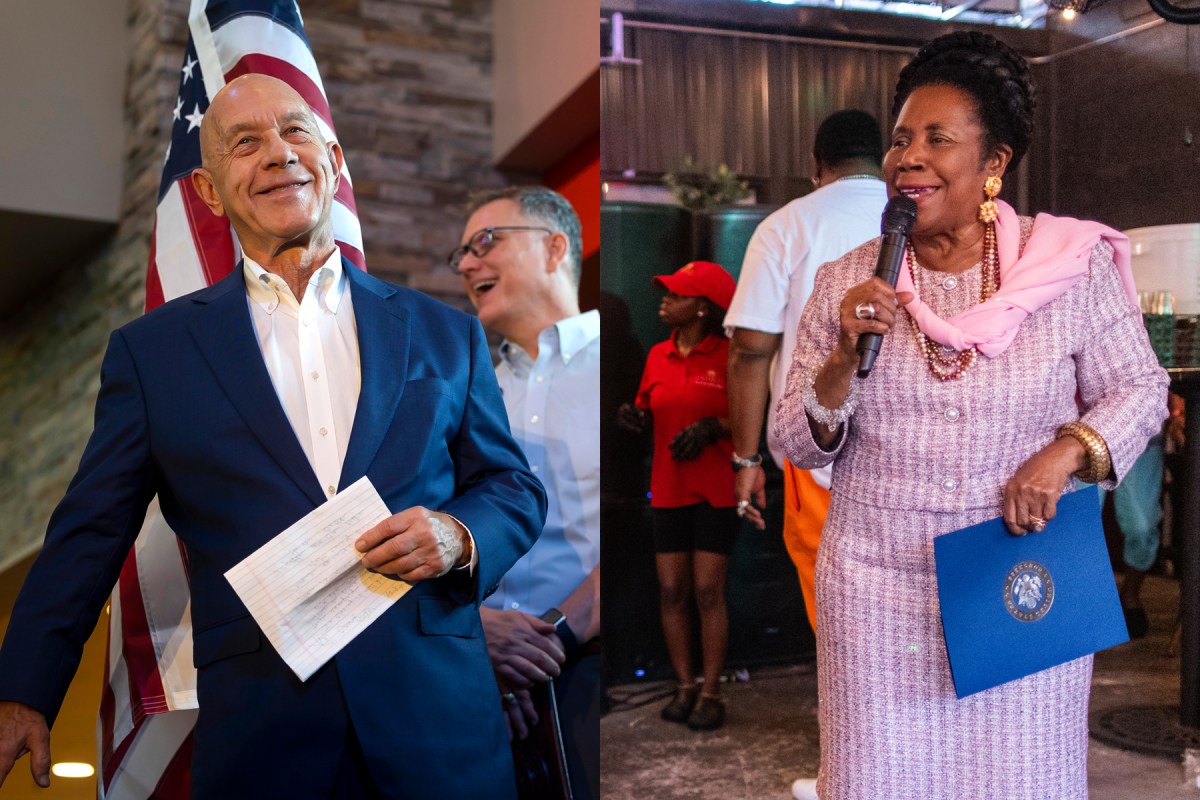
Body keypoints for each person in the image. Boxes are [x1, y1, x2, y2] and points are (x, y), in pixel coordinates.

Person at [0, 74, 545, 798]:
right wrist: (24, 690)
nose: (279, 154)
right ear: (208, 191)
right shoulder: (153, 354)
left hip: (440, 729)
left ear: (334, 158)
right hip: (265, 734)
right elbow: (89, 532)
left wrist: (458, 535)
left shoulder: (445, 334)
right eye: (245, 143)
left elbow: (510, 486)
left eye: (295, 132)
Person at [773, 32, 1168, 799]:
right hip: (875, 590)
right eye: (899, 140)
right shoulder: (844, 282)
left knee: (1017, 779)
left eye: (937, 139)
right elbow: (795, 439)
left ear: (995, 163)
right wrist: (840, 359)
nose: (907, 157)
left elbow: (1141, 390)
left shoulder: (1065, 269)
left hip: (1016, 581)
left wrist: (1067, 453)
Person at [452, 185, 600, 800]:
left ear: (554, 248)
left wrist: (543, 645)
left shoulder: (616, 365)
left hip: (585, 670)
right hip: (474, 680)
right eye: (460, 253)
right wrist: (478, 638)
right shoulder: (463, 387)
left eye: (485, 242)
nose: (465, 265)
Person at [724, 109, 887, 632]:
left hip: (820, 458)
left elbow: (751, 350)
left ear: (817, 165)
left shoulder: (787, 226)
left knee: (840, 630)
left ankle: (854, 713)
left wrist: (745, 458)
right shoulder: (922, 216)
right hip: (919, 455)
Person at [619, 261, 738, 731]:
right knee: (671, 590)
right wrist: (634, 416)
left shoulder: (731, 355)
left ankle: (711, 692)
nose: (664, 300)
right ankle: (684, 685)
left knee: (708, 591)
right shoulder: (656, 356)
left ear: (704, 307)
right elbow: (649, 405)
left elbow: (756, 416)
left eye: (676, 294)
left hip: (716, 490)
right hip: (668, 486)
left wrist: (716, 428)